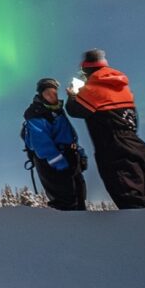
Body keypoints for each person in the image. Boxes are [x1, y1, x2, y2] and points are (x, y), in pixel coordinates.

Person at [66, 49, 145, 209]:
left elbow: (74, 110)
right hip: (137, 147)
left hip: (114, 149)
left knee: (132, 206)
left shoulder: (93, 88)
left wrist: (73, 95)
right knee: (139, 199)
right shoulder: (121, 86)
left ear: (86, 69)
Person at [22, 78, 87, 210]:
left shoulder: (57, 111)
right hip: (52, 162)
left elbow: (67, 136)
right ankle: (64, 229)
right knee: (65, 201)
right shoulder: (36, 114)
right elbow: (41, 144)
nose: (52, 96)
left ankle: (82, 228)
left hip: (69, 157)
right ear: (41, 95)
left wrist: (80, 155)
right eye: (48, 93)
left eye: (55, 93)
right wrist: (60, 163)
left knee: (79, 196)